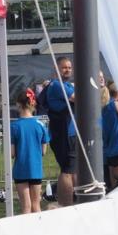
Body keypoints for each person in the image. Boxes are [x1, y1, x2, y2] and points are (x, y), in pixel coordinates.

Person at [11, 89, 49, 214]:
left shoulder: (14, 126)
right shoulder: (41, 125)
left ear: (18, 104)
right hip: (36, 169)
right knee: (36, 204)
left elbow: (12, 153)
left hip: (20, 169)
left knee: (26, 206)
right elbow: (44, 151)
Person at [45, 57, 76, 206]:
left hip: (69, 132)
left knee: (72, 169)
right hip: (63, 134)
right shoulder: (58, 85)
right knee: (67, 170)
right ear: (56, 68)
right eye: (64, 67)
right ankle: (66, 204)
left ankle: (71, 203)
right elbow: (78, 97)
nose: (68, 70)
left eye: (70, 67)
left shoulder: (66, 85)